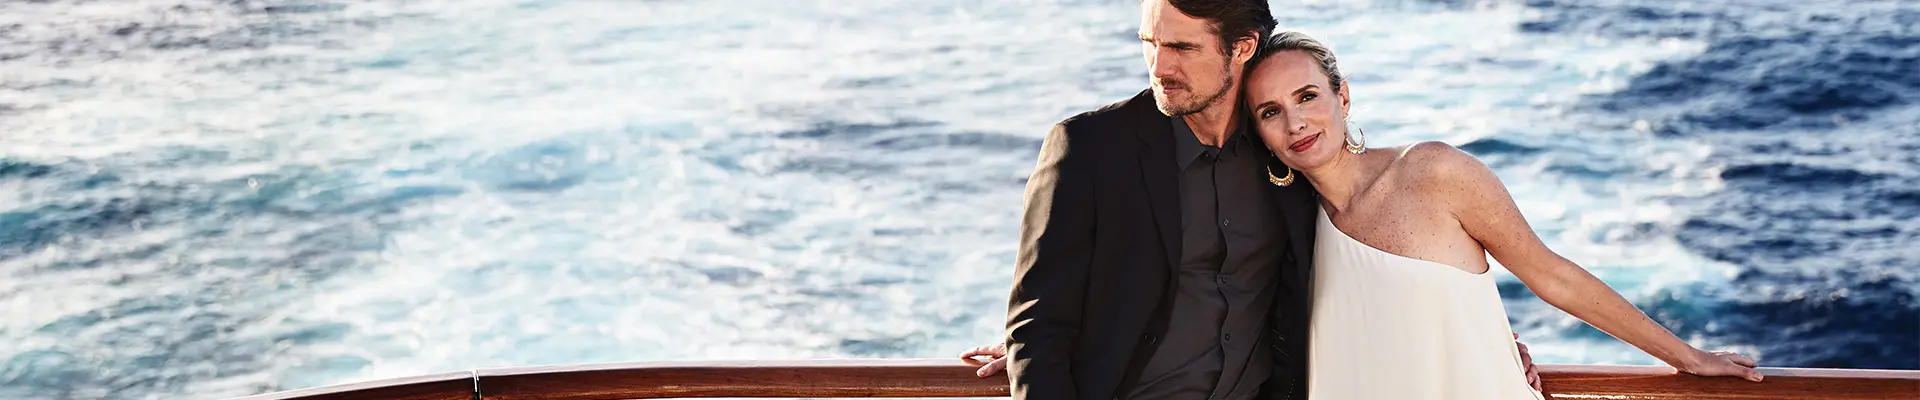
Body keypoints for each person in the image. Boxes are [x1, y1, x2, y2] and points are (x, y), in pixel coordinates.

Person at [967, 30, 1765, 399]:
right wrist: (1049, 342)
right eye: (1271, 112)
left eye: (1309, 97)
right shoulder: (1286, 210)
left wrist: (1685, 356)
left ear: (1343, 96)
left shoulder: (1436, 172)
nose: (1296, 123)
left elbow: (1552, 275)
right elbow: (1204, 284)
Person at [970, 1, 1539, 399]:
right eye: (1150, 44)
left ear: (1241, 47)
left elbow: (1365, 244)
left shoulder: (1287, 148)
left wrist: (1478, 333)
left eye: (1181, 47)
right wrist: (1042, 352)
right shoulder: (1090, 149)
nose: (1159, 67)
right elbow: (1038, 327)